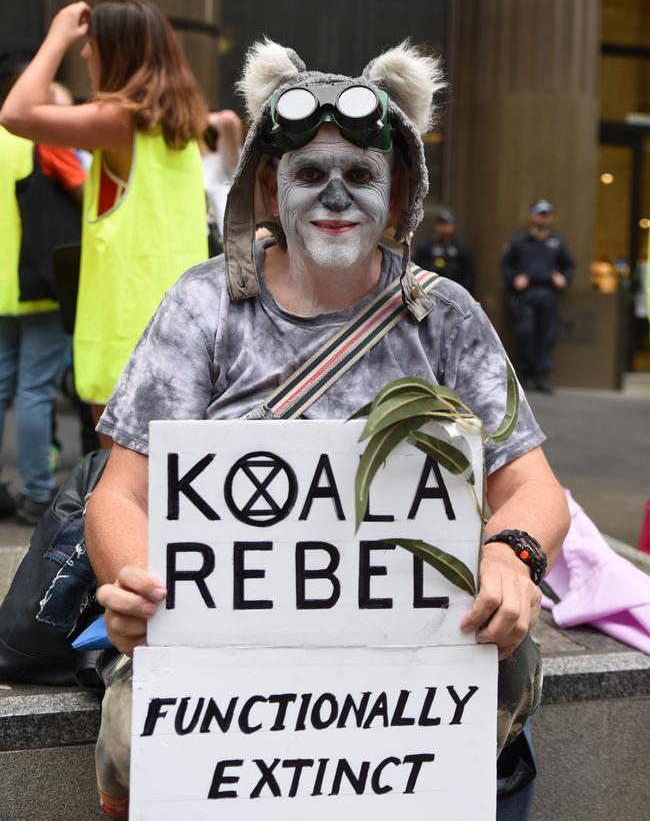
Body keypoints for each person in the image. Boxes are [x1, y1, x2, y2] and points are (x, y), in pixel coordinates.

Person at [83, 40, 569, 818]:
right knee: (139, 739)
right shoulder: (203, 306)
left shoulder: (445, 316)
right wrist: (133, 581)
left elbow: (533, 484)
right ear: (271, 186)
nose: (335, 196)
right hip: (224, 638)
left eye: (361, 175)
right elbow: (122, 491)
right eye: (311, 174)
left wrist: (511, 555)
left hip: (413, 640)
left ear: (399, 187)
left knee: (493, 695)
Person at [0, 0, 209, 442]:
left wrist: (56, 36)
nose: (84, 52)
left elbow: (15, 113)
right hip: (181, 325)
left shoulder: (119, 121)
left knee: (120, 487)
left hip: (123, 335)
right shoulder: (182, 127)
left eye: (91, 43)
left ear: (116, 50)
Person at [0, 57, 84, 524]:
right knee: (34, 390)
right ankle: (37, 493)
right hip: (40, 281)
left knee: (2, 388)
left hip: (2, 288)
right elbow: (85, 192)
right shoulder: (42, 139)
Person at [500, 200, 575, 393]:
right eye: (540, 214)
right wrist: (514, 278)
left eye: (547, 214)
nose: (544, 218)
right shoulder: (519, 240)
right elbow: (506, 265)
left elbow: (569, 265)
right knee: (525, 334)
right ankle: (527, 375)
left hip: (548, 293)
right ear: (532, 216)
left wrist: (563, 277)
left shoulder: (557, 241)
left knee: (547, 335)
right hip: (526, 294)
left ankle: (543, 376)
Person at [201, 108, 243, 247]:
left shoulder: (225, 162)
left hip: (225, 245)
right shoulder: (193, 162)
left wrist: (203, 119)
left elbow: (228, 120)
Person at [413, 209, 475, 293]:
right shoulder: (425, 248)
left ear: (452, 226)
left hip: (454, 293)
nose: (443, 227)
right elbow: (415, 268)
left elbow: (469, 275)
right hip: (430, 291)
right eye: (441, 224)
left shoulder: (460, 250)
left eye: (446, 224)